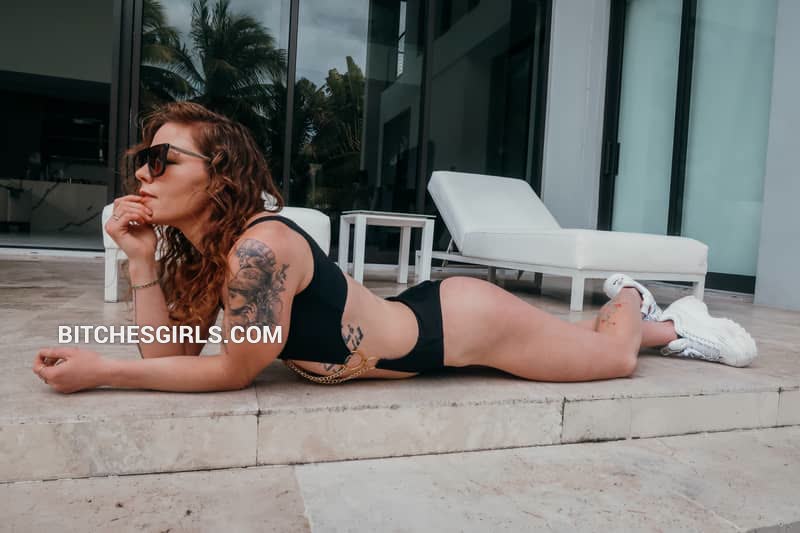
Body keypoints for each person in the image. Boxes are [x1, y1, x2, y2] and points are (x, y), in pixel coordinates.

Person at [32, 102, 757, 394]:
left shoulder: (260, 251)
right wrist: (141, 261)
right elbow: (170, 354)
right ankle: (672, 325)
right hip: (417, 320)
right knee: (581, 344)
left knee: (610, 360)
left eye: (162, 160)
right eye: (142, 160)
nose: (142, 175)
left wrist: (103, 371)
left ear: (218, 175)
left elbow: (231, 369)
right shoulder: (204, 254)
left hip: (459, 327)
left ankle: (634, 298)